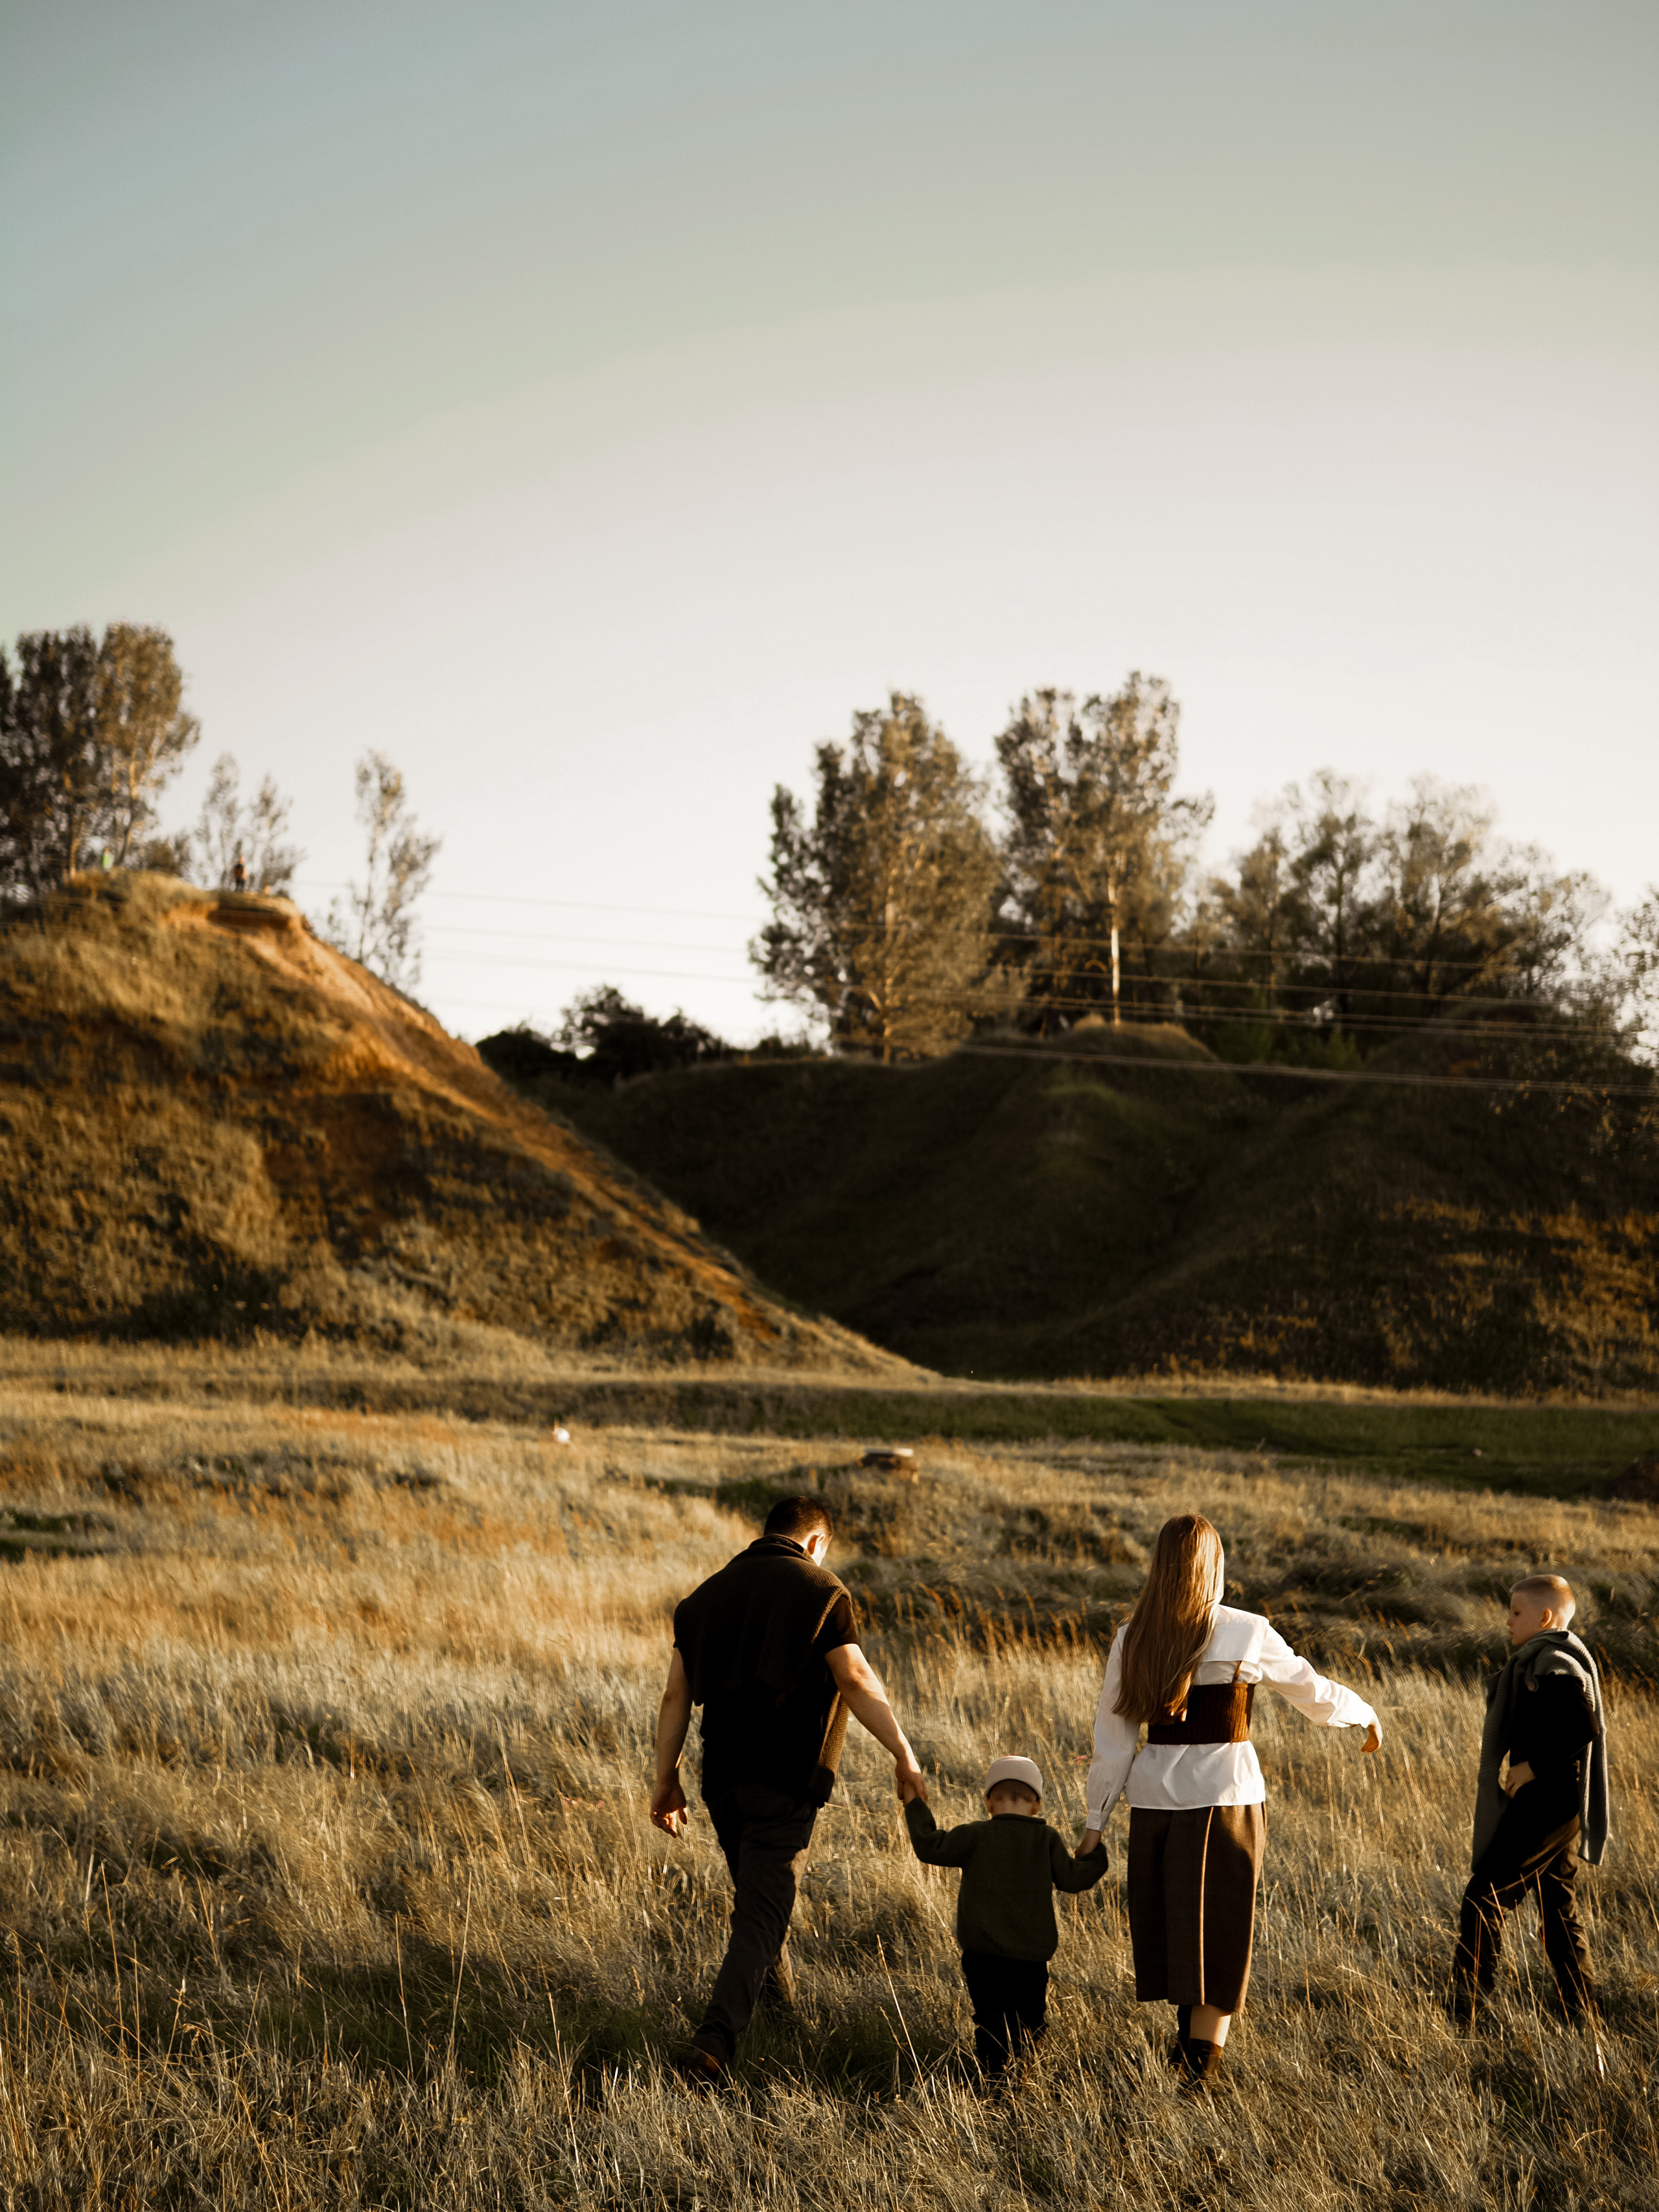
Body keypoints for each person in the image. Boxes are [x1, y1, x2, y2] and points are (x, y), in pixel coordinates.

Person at [1078, 1513, 1381, 2090]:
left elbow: (1112, 1742)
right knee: (1217, 1931)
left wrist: (1096, 1820)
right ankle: (1200, 2070)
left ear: (1161, 1565)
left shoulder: (1132, 1635)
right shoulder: (1246, 1629)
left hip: (1155, 1802)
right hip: (1226, 1799)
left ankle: (1186, 2056)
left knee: (1178, 1930)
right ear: (1214, 1564)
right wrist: (1364, 1713)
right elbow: (1313, 1693)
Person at [651, 1494, 927, 2088]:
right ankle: (711, 2049)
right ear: (816, 1541)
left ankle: (783, 2018)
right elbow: (854, 1676)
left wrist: (665, 1779)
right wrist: (904, 1753)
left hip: (722, 1779)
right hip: (785, 1776)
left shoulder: (704, 1598)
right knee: (762, 1914)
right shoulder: (822, 1590)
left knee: (759, 1905)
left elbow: (676, 1695)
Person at [1450, 1572, 1608, 2031]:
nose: (1508, 1621)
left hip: (1550, 1802)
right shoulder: (1546, 1658)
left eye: (1516, 1612)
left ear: (1544, 1617)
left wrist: (1532, 1766)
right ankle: (1584, 2015)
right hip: (1556, 1801)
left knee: (1484, 1896)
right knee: (1559, 1909)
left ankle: (1468, 2011)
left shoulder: (1553, 1661)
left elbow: (1584, 1726)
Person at [902, 1753, 1109, 2082]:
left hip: (982, 1956)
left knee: (991, 2020)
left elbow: (930, 1847)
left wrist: (914, 1803)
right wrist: (1095, 1856)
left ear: (988, 1802)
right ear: (1037, 1804)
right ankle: (1023, 2078)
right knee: (1030, 2021)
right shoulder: (1047, 1839)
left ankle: (993, 2081)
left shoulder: (975, 1835)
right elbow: (1073, 1879)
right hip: (1030, 1959)